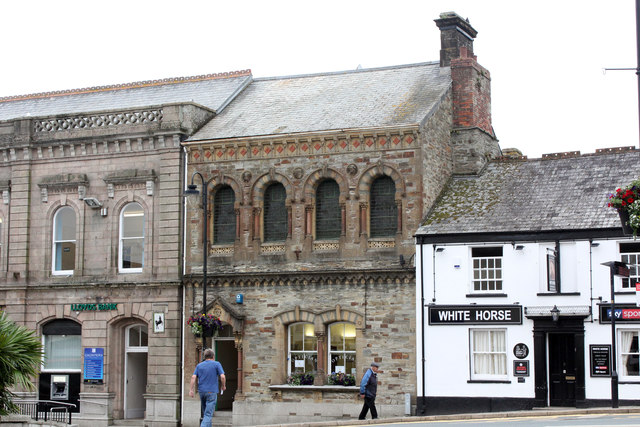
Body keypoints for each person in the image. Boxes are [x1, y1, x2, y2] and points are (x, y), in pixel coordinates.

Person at [189, 348, 226, 427]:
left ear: (205, 356)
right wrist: (223, 386)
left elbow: (193, 377)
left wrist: (191, 390)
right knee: (208, 415)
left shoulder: (199, 365)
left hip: (202, 392)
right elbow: (222, 377)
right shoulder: (217, 364)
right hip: (211, 392)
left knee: (206, 414)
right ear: (213, 356)